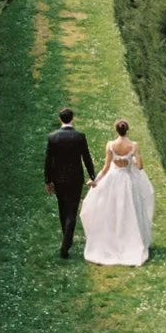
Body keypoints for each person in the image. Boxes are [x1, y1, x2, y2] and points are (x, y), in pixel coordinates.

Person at [80, 118, 155, 267]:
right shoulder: (133, 145)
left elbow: (106, 167)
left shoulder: (111, 145)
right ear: (127, 130)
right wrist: (131, 159)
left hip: (113, 180)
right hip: (127, 181)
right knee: (130, 211)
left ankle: (112, 241)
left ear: (116, 130)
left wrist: (96, 181)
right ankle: (130, 240)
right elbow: (140, 166)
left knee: (112, 210)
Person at [43, 107, 96, 259]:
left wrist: (48, 180)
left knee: (62, 209)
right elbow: (86, 157)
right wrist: (92, 175)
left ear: (61, 119)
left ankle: (66, 240)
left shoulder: (52, 137)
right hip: (75, 178)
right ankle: (66, 242)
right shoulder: (79, 136)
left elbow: (48, 161)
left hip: (59, 178)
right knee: (72, 211)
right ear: (72, 119)